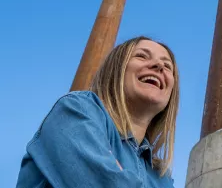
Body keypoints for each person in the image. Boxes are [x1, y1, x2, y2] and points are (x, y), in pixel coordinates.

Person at [16, 36, 179, 188]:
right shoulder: (76, 110)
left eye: (167, 66)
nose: (159, 66)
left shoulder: (161, 177)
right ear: (116, 69)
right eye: (142, 56)